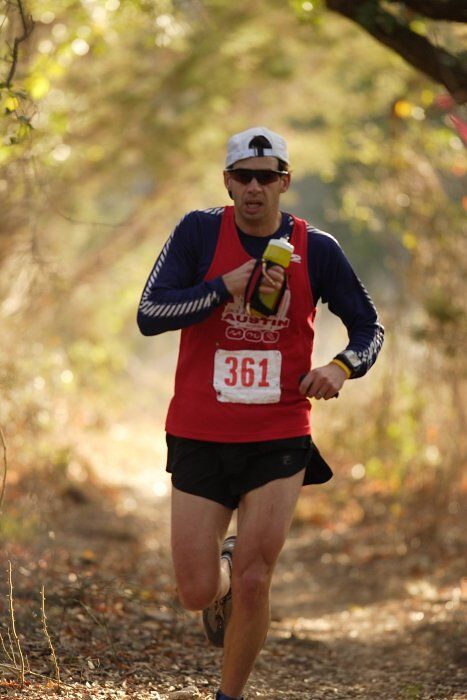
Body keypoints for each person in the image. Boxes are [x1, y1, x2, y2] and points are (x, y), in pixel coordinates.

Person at [137, 126, 384, 700]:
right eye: (243, 176)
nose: (255, 187)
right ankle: (216, 582)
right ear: (227, 182)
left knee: (255, 578)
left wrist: (342, 367)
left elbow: (370, 325)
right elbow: (150, 313)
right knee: (198, 590)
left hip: (279, 433)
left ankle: (229, 696)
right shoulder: (199, 232)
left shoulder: (315, 247)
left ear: (284, 182)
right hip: (200, 429)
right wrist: (224, 286)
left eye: (267, 176)